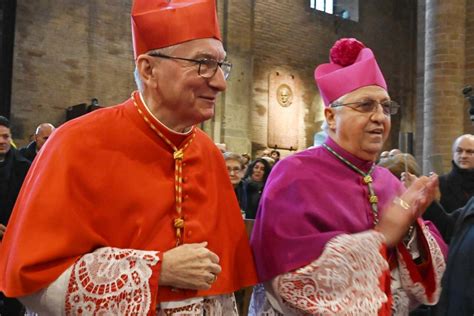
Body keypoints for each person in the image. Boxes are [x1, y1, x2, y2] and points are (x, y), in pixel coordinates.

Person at [0, 1, 257, 314]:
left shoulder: (209, 154)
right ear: (149, 69)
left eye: (221, 65)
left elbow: (221, 294)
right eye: (203, 63)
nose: (220, 82)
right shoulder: (76, 142)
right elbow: (34, 281)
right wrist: (155, 270)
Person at [250, 38, 447, 315]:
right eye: (366, 106)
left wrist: (413, 227)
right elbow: (289, 279)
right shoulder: (293, 174)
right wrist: (382, 237)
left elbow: (421, 281)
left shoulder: (388, 180)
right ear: (331, 117)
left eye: (386, 107)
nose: (380, 117)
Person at [0, 116, 30, 316]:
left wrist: (14, 227)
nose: (1, 141)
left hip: (13, 238)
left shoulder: (24, 166)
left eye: (5, 136)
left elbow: (31, 203)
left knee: (10, 298)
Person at [438, 134, 474, 213]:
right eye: (459, 151)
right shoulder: (440, 183)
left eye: (469, 152)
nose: (463, 156)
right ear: (453, 154)